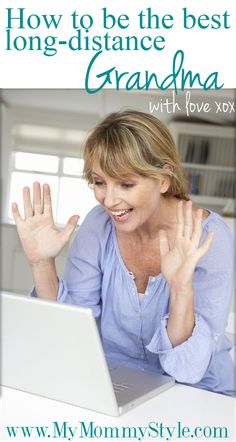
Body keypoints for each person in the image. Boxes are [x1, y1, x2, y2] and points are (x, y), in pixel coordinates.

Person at [12, 110, 235, 396]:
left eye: (127, 184)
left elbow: (188, 371)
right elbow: (70, 334)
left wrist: (180, 290)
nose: (109, 200)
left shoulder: (209, 239)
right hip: (114, 383)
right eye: (100, 182)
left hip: (198, 392)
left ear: (164, 178)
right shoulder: (98, 224)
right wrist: (41, 263)